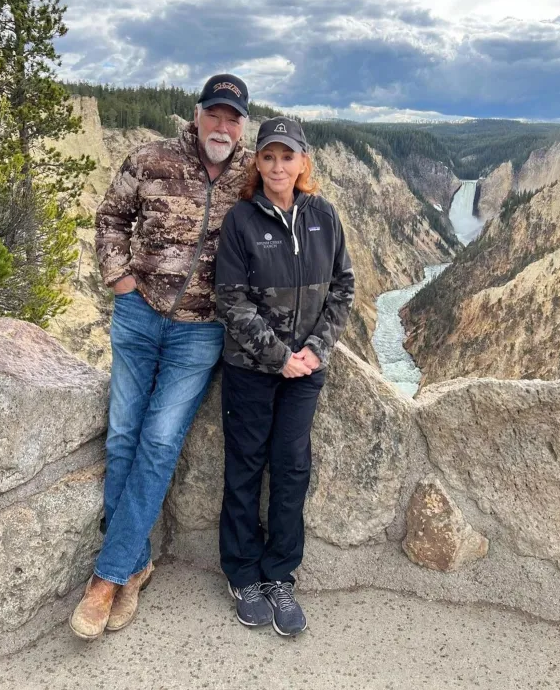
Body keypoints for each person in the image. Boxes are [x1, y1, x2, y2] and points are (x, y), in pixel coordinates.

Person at [69, 74, 251, 640]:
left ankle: (107, 578)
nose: (222, 126)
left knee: (158, 439)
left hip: (201, 332)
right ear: (197, 115)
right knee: (123, 434)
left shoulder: (250, 176)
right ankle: (135, 561)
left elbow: (292, 212)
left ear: (242, 125)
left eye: (233, 117)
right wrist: (118, 279)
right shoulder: (149, 158)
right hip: (139, 314)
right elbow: (110, 218)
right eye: (214, 114)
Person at [215, 116, 354, 636]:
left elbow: (343, 287)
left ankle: (280, 575)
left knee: (292, 469)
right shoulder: (242, 221)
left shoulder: (324, 217)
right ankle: (242, 574)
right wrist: (280, 356)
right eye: (268, 156)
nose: (278, 166)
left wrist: (315, 350)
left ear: (303, 162)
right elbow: (230, 299)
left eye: (287, 156)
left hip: (307, 371)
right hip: (252, 370)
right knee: (245, 467)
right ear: (258, 162)